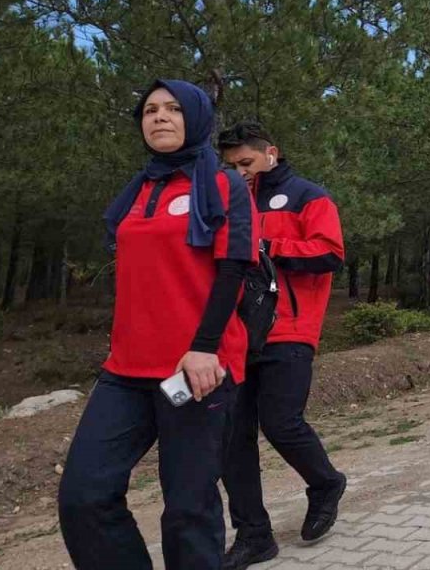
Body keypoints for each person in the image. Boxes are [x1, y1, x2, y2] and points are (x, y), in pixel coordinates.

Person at [58, 80, 257, 570]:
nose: (159, 117)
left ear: (196, 117)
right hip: (126, 369)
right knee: (84, 495)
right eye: (149, 110)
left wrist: (205, 347)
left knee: (188, 510)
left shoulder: (223, 185)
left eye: (172, 108)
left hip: (196, 369)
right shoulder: (138, 190)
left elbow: (234, 267)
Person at [216, 122, 347, 567]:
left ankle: (325, 482)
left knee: (281, 422)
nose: (239, 173)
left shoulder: (308, 195)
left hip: (290, 329)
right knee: (233, 436)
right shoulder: (232, 199)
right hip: (234, 335)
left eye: (246, 163)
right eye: (231, 166)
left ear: (271, 152)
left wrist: (266, 244)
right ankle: (254, 535)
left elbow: (330, 254)